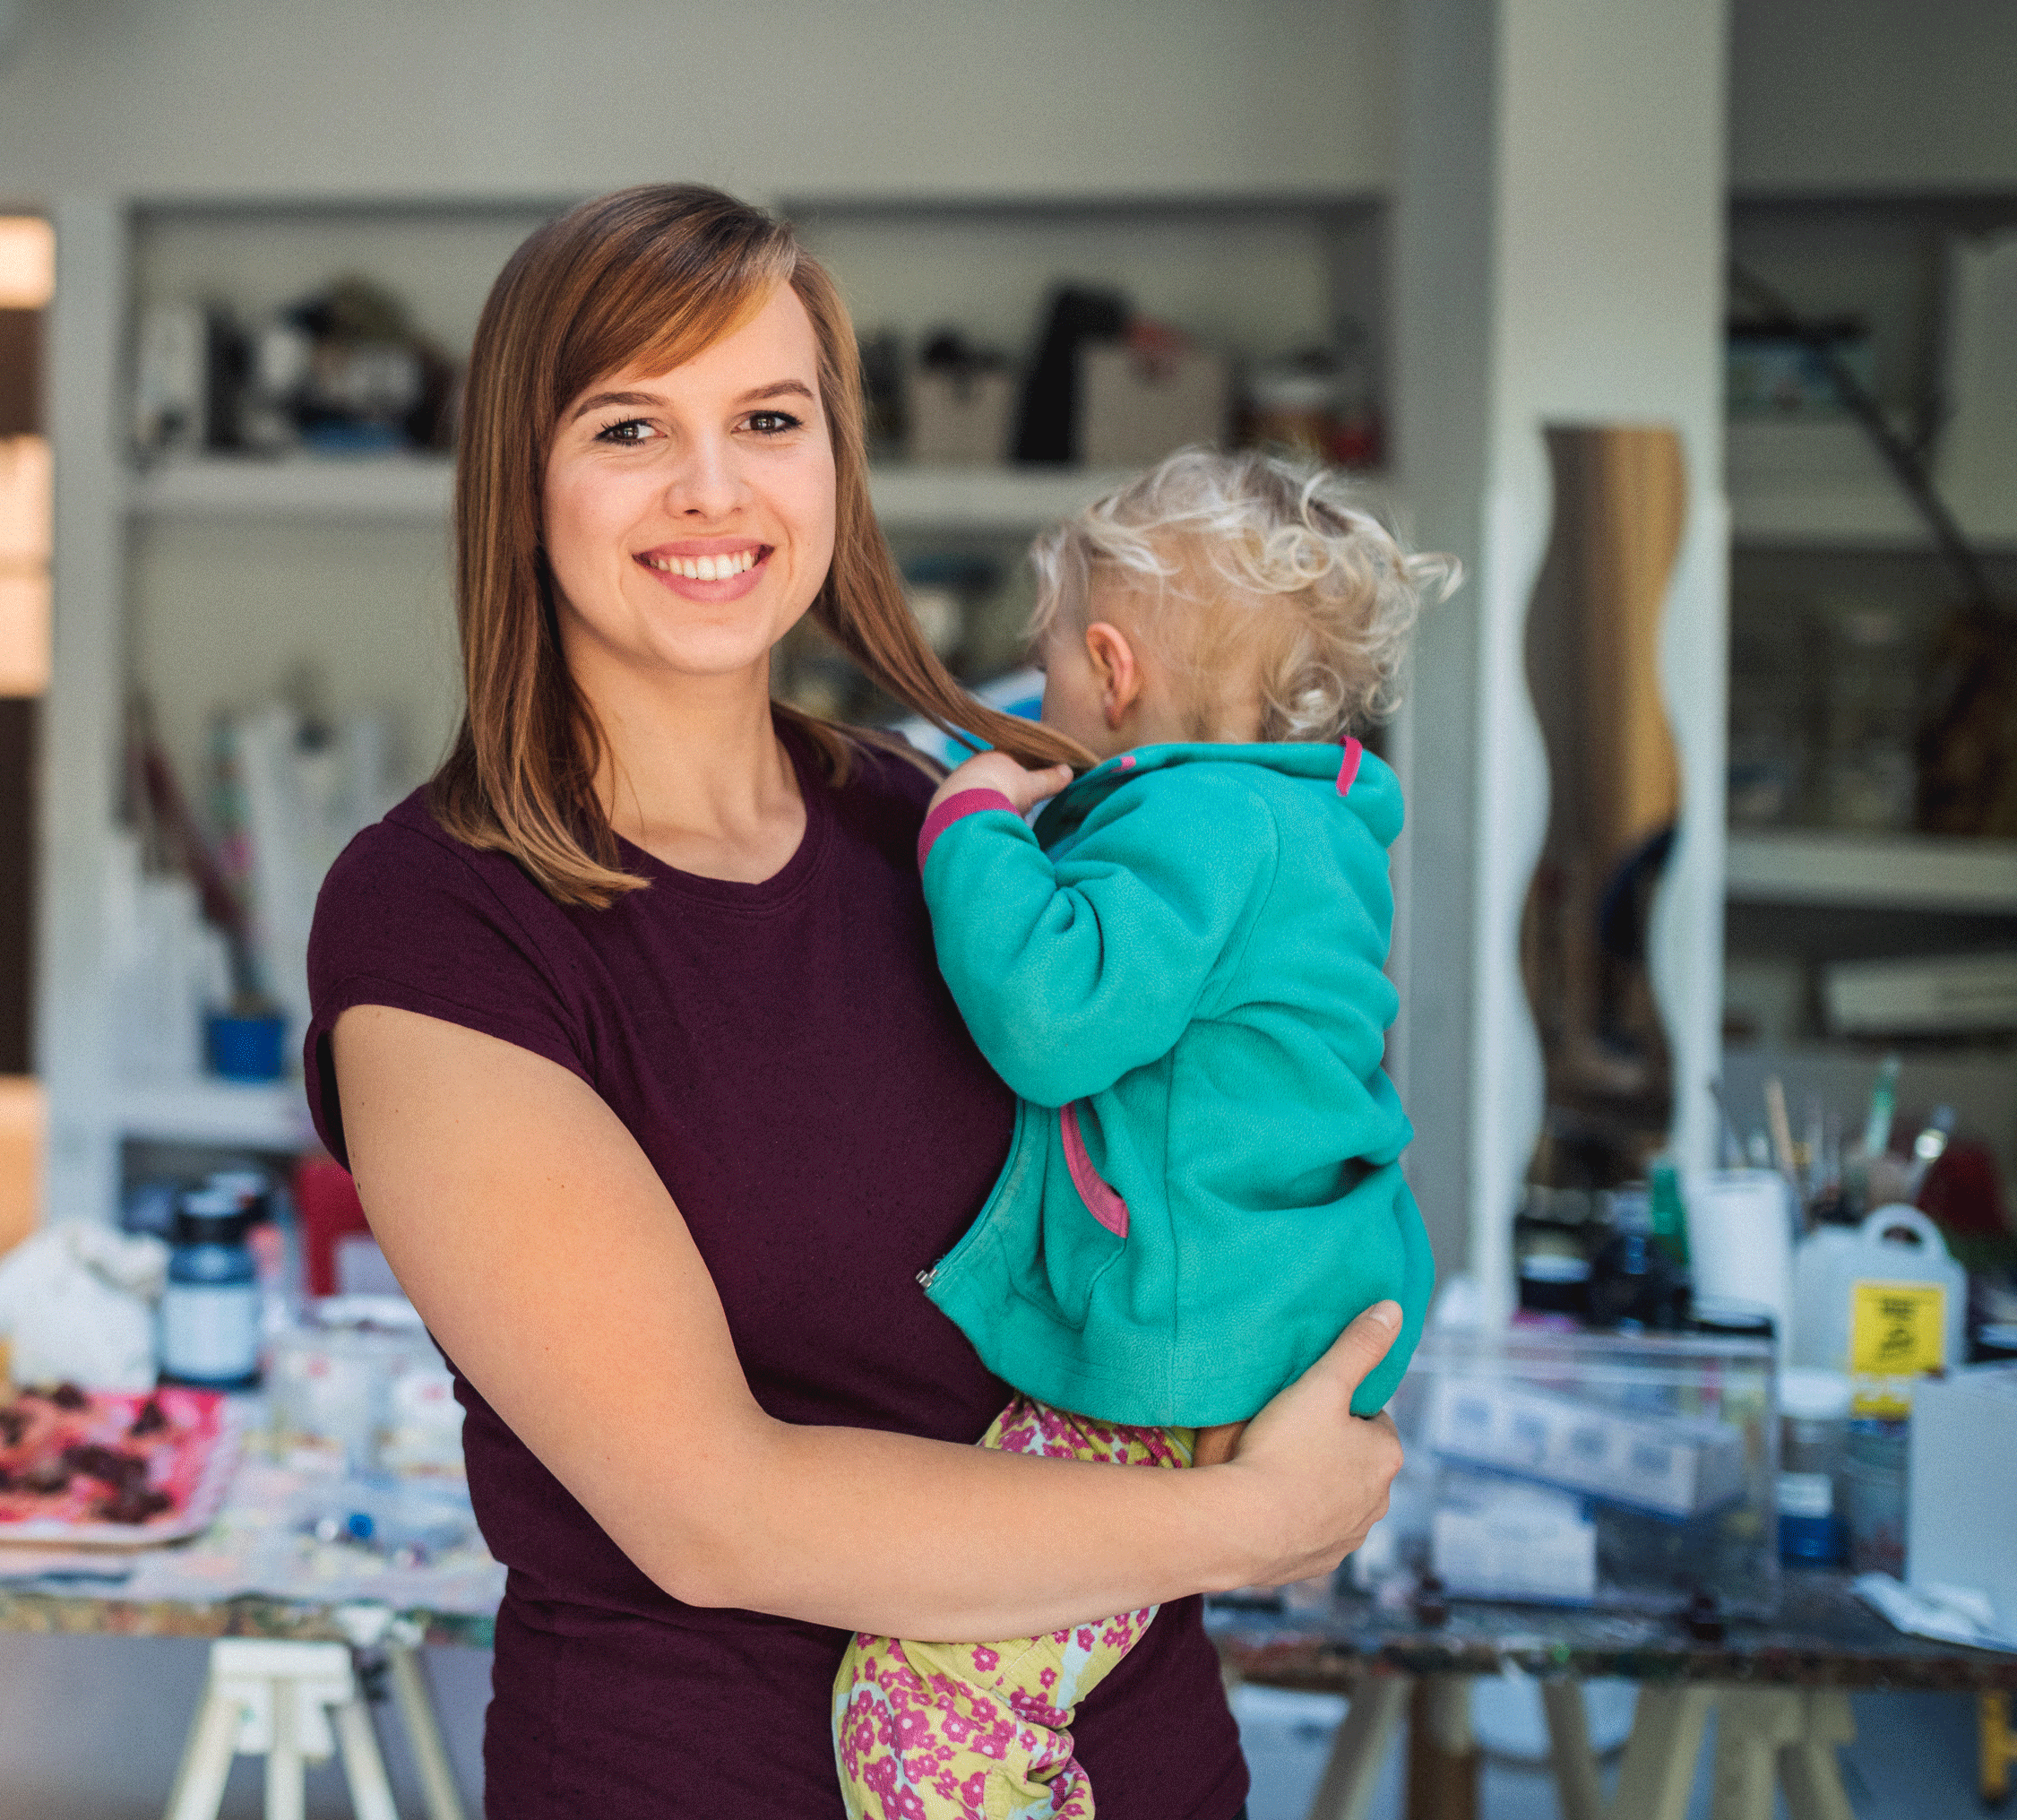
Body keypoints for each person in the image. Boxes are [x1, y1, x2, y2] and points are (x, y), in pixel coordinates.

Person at [304, 185, 1404, 1818]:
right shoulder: (444, 926)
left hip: (1136, 1762)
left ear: (834, 460)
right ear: (520, 479)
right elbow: (715, 1509)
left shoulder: (947, 835)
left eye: (769, 417)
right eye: (628, 427)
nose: (713, 488)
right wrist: (1260, 1519)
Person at [834, 449, 1460, 1816]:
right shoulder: (1301, 819)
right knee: (1030, 1668)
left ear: (1110, 672)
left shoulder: (1205, 824)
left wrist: (971, 826)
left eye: (1045, 661)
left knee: (922, 1692)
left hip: (1189, 1331)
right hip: (1272, 1312)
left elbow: (1056, 1014)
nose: (1034, 691)